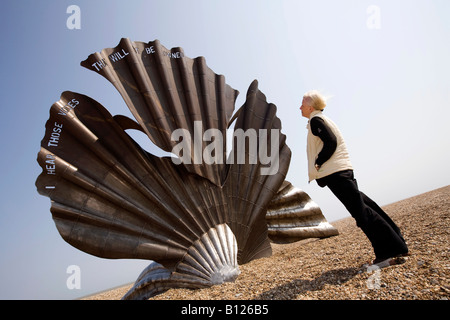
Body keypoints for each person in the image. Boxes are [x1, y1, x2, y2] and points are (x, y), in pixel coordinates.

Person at [300, 90, 409, 268]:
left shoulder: (315, 120)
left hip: (335, 172)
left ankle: (387, 251)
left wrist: (318, 163)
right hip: (341, 170)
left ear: (310, 106)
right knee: (365, 206)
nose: (300, 107)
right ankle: (398, 243)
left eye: (302, 104)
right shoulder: (321, 119)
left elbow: (331, 141)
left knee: (361, 212)